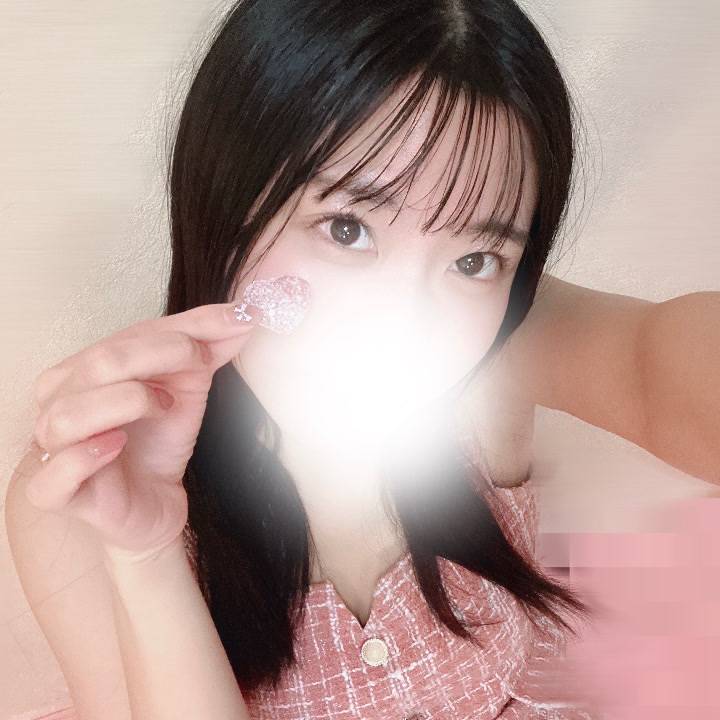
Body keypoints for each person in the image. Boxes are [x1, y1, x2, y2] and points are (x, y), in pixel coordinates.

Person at [6, 1, 719, 719]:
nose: (405, 323)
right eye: (346, 229)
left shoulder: (502, 337)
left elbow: (658, 366)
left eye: (474, 259)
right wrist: (148, 556)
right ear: (223, 201)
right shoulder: (94, 486)